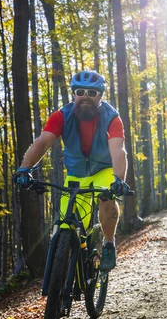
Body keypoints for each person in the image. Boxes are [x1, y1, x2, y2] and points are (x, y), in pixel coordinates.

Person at [13, 70, 129, 271]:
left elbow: (118, 151)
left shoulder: (112, 118)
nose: (85, 97)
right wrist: (25, 169)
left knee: (105, 198)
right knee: (65, 225)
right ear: (73, 93)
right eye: (80, 91)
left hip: (103, 169)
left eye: (92, 93)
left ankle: (109, 243)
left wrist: (118, 180)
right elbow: (42, 142)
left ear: (100, 96)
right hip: (76, 175)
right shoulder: (62, 116)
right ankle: (65, 282)